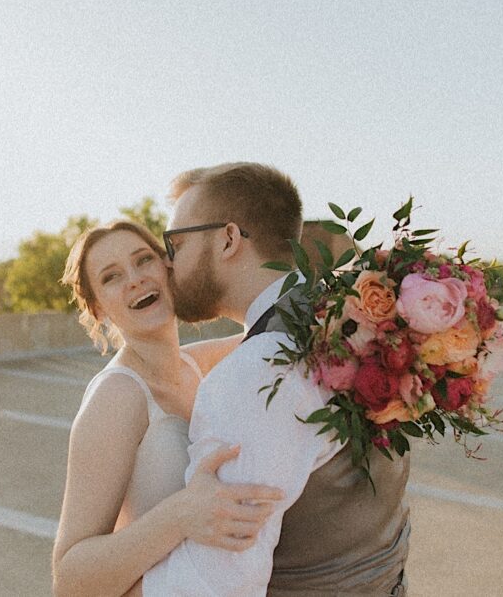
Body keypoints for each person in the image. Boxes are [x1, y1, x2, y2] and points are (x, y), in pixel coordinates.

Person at [142, 162, 411, 596]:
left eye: (175, 243)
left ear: (228, 239)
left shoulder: (255, 375)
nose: (166, 263)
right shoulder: (354, 320)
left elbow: (215, 585)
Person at [51, 220, 285, 597]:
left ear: (168, 265)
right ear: (98, 310)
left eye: (143, 260)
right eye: (111, 277)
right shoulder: (117, 396)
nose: (134, 280)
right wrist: (181, 515)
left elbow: (277, 328)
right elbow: (69, 581)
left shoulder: (197, 365)